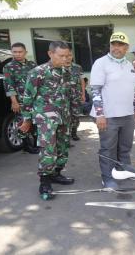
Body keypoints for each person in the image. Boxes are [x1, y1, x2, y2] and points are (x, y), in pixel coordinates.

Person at [20, 41, 80, 200]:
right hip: (45, 118)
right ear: (50, 54)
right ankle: (44, 181)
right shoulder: (37, 72)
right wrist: (26, 120)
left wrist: (75, 115)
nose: (66, 59)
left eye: (68, 56)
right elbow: (27, 98)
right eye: (62, 56)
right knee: (48, 149)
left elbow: (72, 95)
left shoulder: (68, 72)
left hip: (64, 116)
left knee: (63, 146)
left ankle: (56, 174)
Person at [90, 32, 135, 189]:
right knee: (108, 149)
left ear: (126, 48)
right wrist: (100, 115)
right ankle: (107, 178)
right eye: (114, 44)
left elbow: (132, 89)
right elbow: (95, 90)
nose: (116, 48)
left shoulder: (129, 65)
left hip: (127, 115)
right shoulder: (101, 63)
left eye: (120, 45)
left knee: (125, 147)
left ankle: (124, 170)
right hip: (108, 116)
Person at [2, 42, 39, 154]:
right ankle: (26, 146)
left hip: (35, 99)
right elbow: (9, 85)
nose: (17, 54)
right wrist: (14, 102)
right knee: (22, 122)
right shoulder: (8, 67)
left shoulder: (32, 65)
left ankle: (37, 143)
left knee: (36, 121)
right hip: (21, 101)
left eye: (20, 52)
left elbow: (39, 81)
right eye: (14, 52)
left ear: (25, 52)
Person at [65, 52, 86, 141]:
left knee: (75, 114)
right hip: (64, 96)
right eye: (66, 55)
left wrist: (83, 94)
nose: (68, 57)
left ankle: (74, 133)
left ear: (72, 56)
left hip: (76, 95)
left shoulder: (77, 67)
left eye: (69, 55)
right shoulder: (59, 67)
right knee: (65, 115)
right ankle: (66, 135)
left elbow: (82, 81)